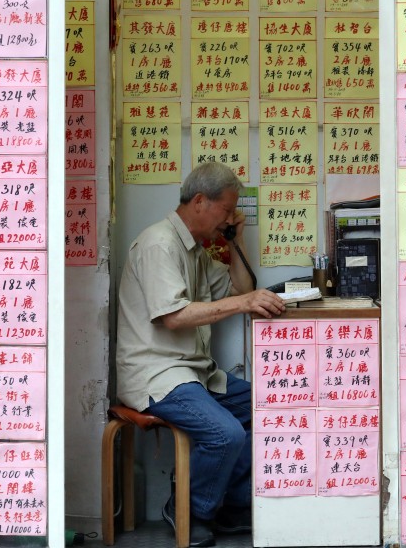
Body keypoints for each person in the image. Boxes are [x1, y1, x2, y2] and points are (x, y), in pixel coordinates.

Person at [116, 162, 285, 547]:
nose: (230, 217)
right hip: (157, 374)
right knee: (224, 434)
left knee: (267, 408)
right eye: (226, 210)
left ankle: (230, 509)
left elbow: (237, 287)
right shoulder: (160, 243)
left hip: (194, 373)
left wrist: (233, 241)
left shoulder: (195, 251)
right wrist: (245, 302)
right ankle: (187, 509)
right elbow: (173, 317)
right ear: (198, 201)